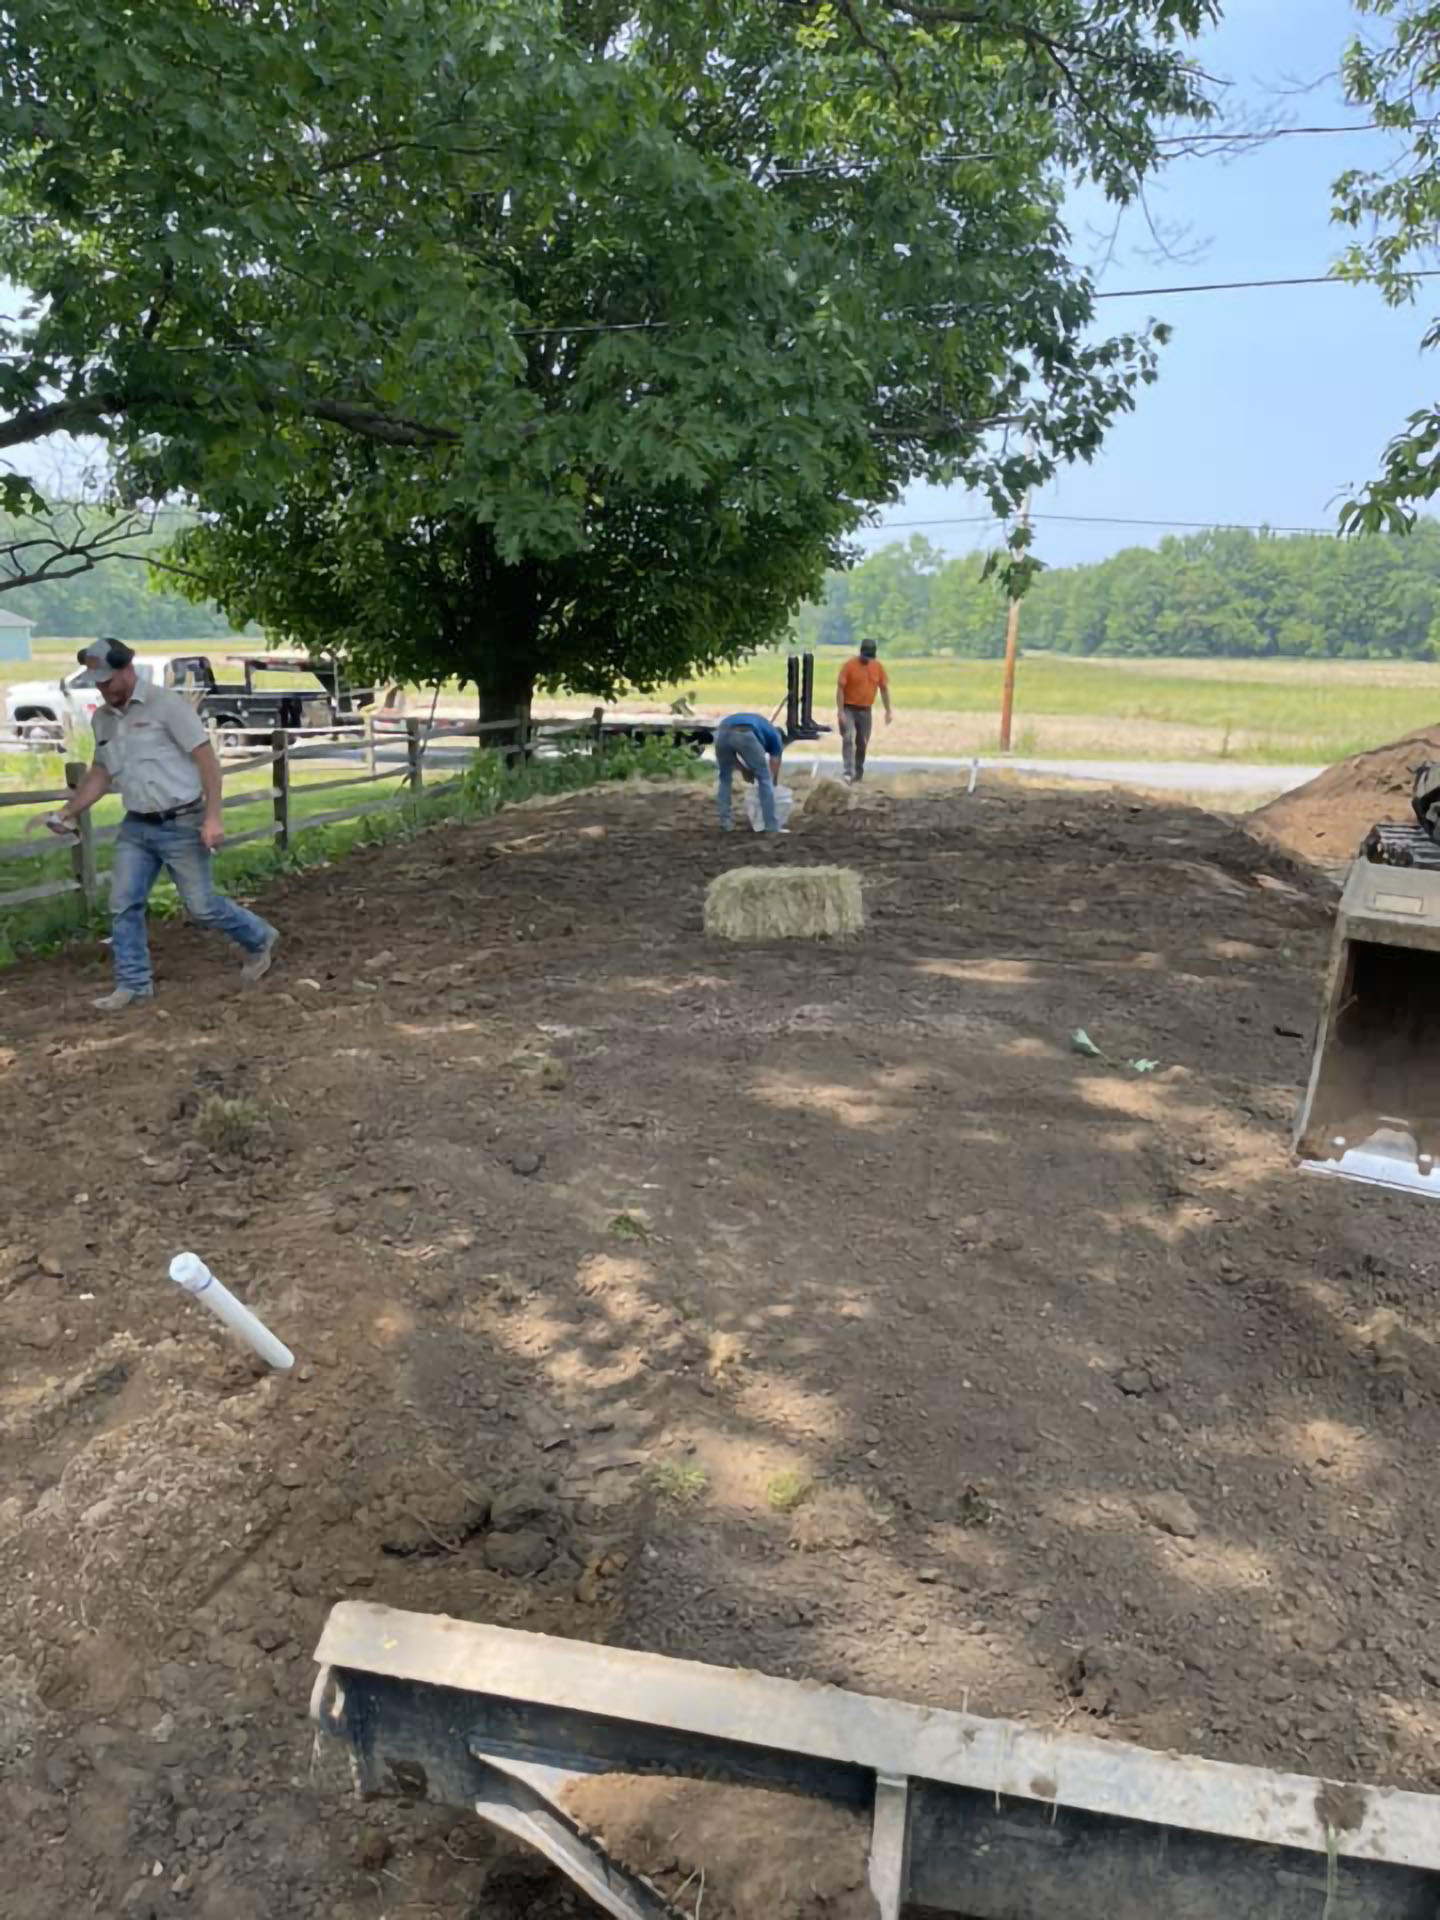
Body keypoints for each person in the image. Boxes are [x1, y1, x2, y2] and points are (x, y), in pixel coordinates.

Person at [32, 639, 280, 1010]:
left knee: (202, 906)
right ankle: (133, 985)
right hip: (136, 827)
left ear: (127, 670)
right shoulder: (103, 719)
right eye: (97, 683)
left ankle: (259, 938)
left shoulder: (167, 706)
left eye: (108, 680)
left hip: (183, 820)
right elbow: (101, 772)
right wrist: (68, 812)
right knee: (123, 904)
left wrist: (213, 817)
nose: (103, 689)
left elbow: (207, 762)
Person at [713, 710, 785, 834]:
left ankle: (726, 824)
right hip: (745, 732)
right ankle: (771, 825)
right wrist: (774, 784)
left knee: (725, 778)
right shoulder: (776, 737)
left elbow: (732, 757)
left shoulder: (764, 726)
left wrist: (744, 770)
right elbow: (774, 764)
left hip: (721, 732)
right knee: (765, 779)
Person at [836, 635, 893, 783]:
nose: (867, 659)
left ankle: (858, 771)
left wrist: (888, 710)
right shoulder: (849, 666)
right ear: (860, 652)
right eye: (865, 656)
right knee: (847, 737)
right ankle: (848, 771)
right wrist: (840, 711)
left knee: (862, 741)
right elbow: (841, 689)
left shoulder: (877, 667)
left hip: (866, 710)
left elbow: (884, 689)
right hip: (849, 707)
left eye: (870, 657)